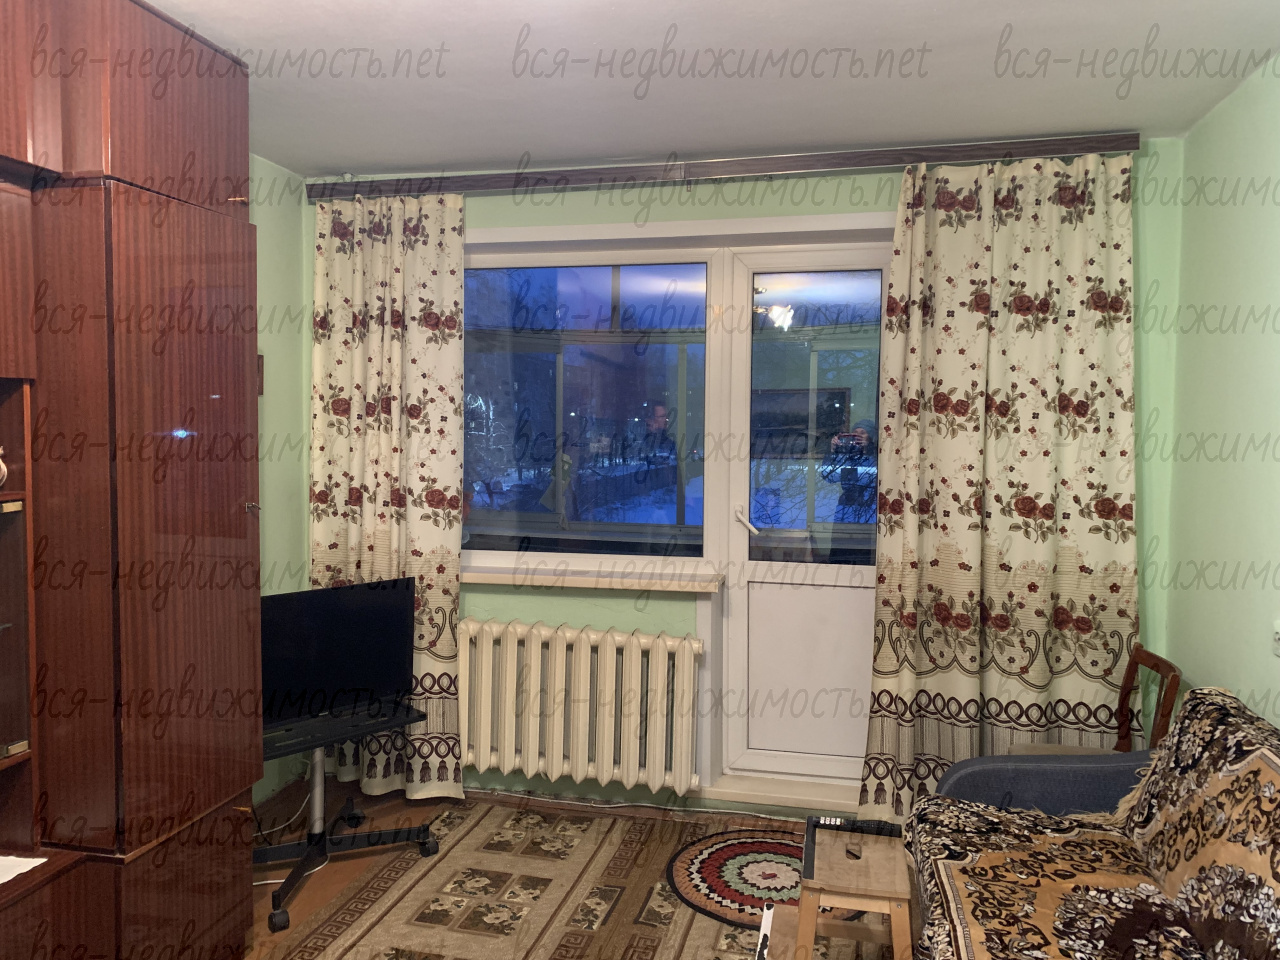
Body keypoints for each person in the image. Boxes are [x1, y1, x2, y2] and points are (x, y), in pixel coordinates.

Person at [820, 418, 877, 523]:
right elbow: (828, 476)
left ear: (871, 437)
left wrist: (868, 449)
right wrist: (832, 451)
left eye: (862, 433)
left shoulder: (877, 454)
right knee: (842, 533)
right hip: (845, 507)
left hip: (871, 506)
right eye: (855, 433)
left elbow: (874, 477)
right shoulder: (845, 455)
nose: (858, 436)